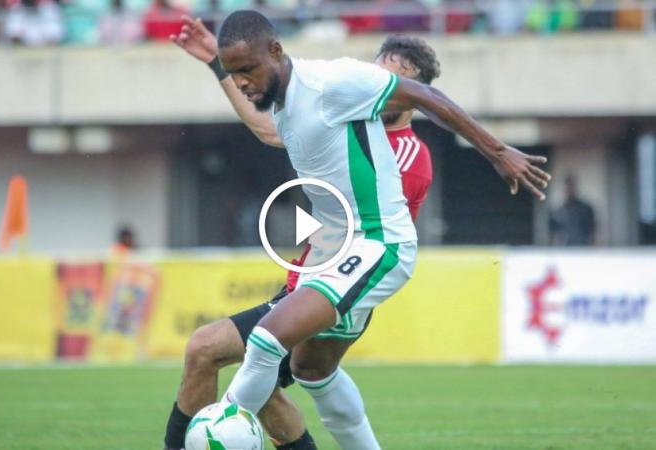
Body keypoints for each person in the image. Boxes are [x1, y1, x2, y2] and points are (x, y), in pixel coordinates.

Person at [171, 10, 550, 450]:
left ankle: (221, 430)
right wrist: (219, 66)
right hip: (333, 261)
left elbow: (428, 97)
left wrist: (498, 152)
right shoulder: (291, 101)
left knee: (264, 342)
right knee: (313, 370)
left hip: (375, 247)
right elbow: (266, 130)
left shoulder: (339, 88)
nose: (242, 82)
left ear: (275, 51)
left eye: (246, 71)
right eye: (236, 74)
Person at [163, 20, 439, 450]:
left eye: (398, 78)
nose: (382, 82)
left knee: (211, 350)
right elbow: (269, 129)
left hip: (340, 284)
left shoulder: (403, 151)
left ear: (411, 95)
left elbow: (365, 227)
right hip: (308, 282)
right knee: (280, 379)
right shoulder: (343, 121)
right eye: (380, 70)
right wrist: (220, 66)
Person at [550, 174, 596, 246]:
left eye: (572, 186)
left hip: (584, 250)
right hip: (564, 252)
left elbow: (594, 233)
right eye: (568, 186)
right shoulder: (558, 213)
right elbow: (553, 236)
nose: (570, 189)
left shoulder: (586, 209)